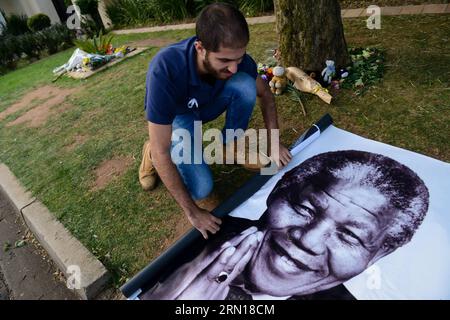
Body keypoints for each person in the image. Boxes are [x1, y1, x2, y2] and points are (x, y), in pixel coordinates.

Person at [140, 150, 429, 300]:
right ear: (277, 194)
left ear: (379, 254)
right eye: (304, 208)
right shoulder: (211, 237)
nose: (308, 240)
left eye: (350, 235)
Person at [138, 3, 292, 239]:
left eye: (238, 59)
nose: (233, 67)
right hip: (181, 116)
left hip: (208, 104)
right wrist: (192, 212)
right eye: (224, 61)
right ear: (200, 48)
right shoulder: (165, 69)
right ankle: (146, 152)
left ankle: (228, 146)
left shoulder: (239, 62)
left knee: (245, 84)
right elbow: (163, 151)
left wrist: (273, 142)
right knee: (201, 188)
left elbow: (267, 96)